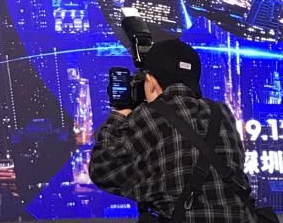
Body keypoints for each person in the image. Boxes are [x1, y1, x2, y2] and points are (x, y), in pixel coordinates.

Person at [89, 38, 263, 222]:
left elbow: (102, 170)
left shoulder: (148, 115)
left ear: (151, 82)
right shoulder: (221, 112)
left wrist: (120, 113)